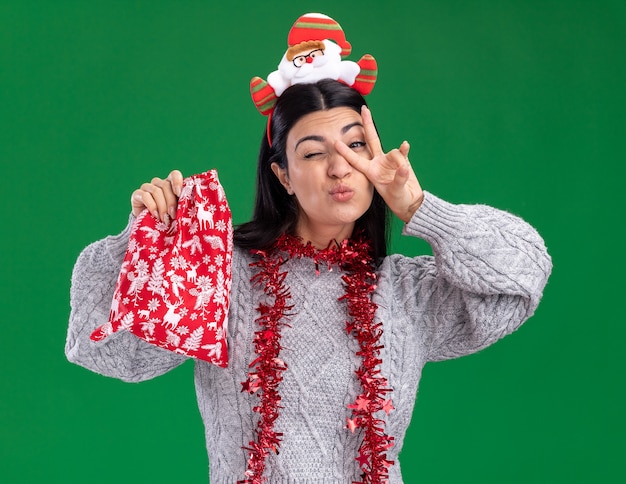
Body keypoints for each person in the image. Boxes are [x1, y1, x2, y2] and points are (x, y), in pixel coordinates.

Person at [66, 17, 552, 484]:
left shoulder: (407, 293)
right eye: (314, 153)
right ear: (283, 176)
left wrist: (418, 207)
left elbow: (524, 275)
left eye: (356, 146)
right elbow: (109, 351)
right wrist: (147, 242)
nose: (339, 168)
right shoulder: (220, 273)